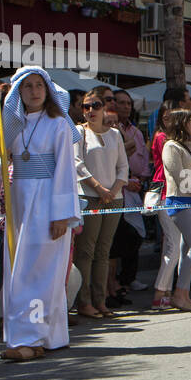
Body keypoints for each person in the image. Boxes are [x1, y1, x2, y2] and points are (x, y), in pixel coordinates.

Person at [0, 67, 80, 362]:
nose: (34, 91)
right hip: (18, 204)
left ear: (48, 89)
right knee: (22, 271)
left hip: (48, 205)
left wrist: (62, 215)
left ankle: (31, 338)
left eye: (39, 85)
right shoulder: (10, 122)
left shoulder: (57, 124)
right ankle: (47, 335)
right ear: (17, 91)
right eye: (27, 86)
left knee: (39, 274)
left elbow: (66, 171)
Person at [72, 86, 128, 318]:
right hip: (89, 197)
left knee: (104, 251)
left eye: (96, 105)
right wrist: (99, 188)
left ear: (104, 109)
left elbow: (123, 166)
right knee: (86, 251)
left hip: (114, 198)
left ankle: (100, 300)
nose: (91, 110)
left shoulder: (115, 134)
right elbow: (77, 164)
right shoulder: (78, 132)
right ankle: (84, 302)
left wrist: (113, 189)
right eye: (86, 106)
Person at [158, 109, 191, 311]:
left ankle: (185, 294)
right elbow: (178, 174)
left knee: (188, 247)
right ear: (182, 123)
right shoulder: (171, 147)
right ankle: (179, 293)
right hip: (180, 201)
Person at [148, 88, 191, 309]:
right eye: (164, 118)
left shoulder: (179, 141)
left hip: (178, 195)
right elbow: (176, 169)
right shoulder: (163, 139)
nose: (168, 121)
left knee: (178, 245)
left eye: (171, 118)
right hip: (167, 195)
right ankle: (160, 293)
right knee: (174, 246)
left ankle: (172, 291)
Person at [109, 89, 149, 297]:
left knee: (136, 233)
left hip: (134, 187)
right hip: (117, 188)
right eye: (121, 103)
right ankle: (114, 283)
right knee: (118, 237)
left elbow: (141, 161)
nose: (126, 107)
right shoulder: (111, 130)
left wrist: (140, 179)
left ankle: (129, 277)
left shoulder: (137, 132)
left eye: (128, 104)